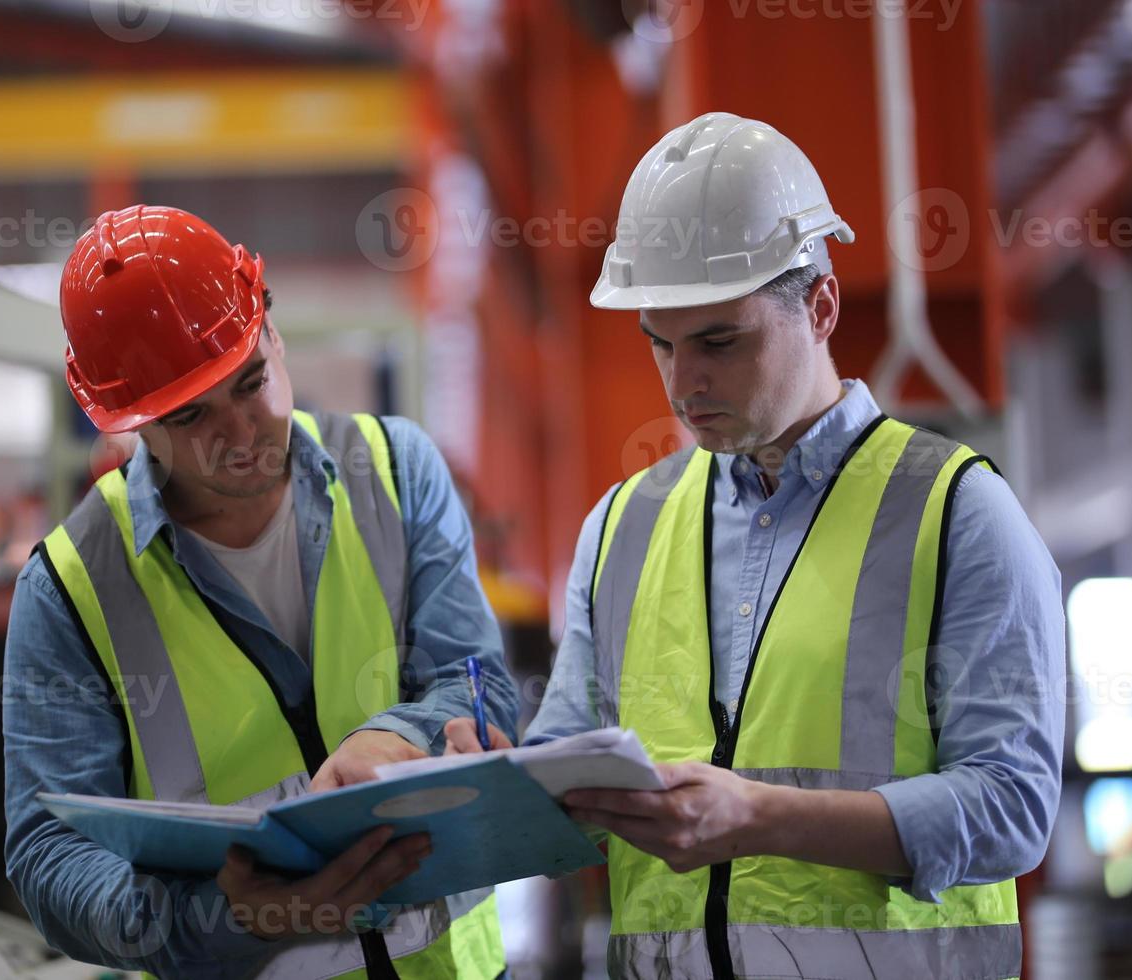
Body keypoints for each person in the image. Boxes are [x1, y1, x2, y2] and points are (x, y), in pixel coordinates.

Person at [445, 113, 1064, 979]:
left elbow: (1011, 809)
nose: (683, 382)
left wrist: (760, 817)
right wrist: (502, 780)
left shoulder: (957, 513)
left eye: (719, 343)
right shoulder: (622, 527)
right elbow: (573, 781)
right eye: (659, 342)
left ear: (820, 306)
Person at [4, 204, 514, 979]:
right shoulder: (68, 592)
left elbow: (478, 686)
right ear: (131, 424)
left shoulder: (399, 472)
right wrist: (222, 915)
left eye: (251, 383)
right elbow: (48, 856)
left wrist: (401, 737)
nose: (241, 435)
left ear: (270, 330)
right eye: (191, 416)